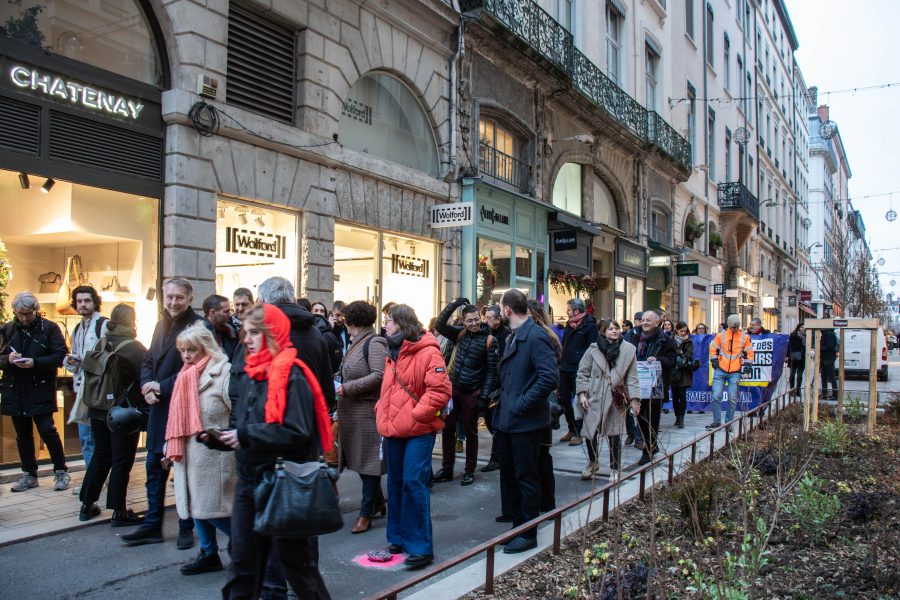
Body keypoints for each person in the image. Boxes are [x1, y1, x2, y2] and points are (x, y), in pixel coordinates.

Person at [209, 304, 333, 599]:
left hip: (282, 483)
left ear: (273, 334)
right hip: (250, 482)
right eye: (245, 333)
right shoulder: (255, 373)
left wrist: (245, 435)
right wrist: (222, 438)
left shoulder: (292, 375)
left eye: (255, 333)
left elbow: (297, 430)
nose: (246, 339)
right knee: (242, 563)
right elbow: (248, 424)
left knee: (297, 566)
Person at [124, 278, 202, 548]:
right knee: (153, 469)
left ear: (190, 299)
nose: (173, 302)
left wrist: (163, 386)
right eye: (169, 297)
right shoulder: (160, 324)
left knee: (183, 471)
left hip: (183, 409)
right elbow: (148, 358)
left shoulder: (198, 327)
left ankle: (185, 525)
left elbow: (198, 368)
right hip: (158, 408)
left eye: (179, 297)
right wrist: (147, 384)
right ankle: (152, 525)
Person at [375, 304, 451, 569]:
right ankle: (397, 537)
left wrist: (417, 414)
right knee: (395, 483)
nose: (385, 325)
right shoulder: (392, 350)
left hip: (418, 431)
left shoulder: (429, 351)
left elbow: (440, 391)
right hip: (394, 429)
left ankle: (420, 547)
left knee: (413, 484)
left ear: (402, 323)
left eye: (389, 321)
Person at [493, 289, 559, 554]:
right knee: (512, 476)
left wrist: (521, 403)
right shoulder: (515, 336)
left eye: (500, 307)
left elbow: (548, 378)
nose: (498, 311)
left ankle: (528, 532)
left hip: (526, 422)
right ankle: (519, 526)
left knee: (527, 477)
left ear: (507, 310)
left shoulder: (535, 336)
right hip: (509, 420)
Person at [167, 323, 235, 575]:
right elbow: (177, 417)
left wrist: (225, 436)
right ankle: (208, 553)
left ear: (206, 347)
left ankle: (249, 545)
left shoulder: (223, 373)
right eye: (182, 350)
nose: (186, 356)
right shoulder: (185, 374)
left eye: (191, 350)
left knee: (214, 509)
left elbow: (237, 414)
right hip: (188, 453)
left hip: (214, 454)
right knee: (196, 505)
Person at [77, 304, 147, 525]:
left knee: (101, 456)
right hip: (122, 414)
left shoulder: (102, 341)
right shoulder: (135, 348)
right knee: (121, 461)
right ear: (132, 321)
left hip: (97, 410)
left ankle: (86, 505)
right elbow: (144, 379)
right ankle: (119, 511)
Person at [1, 292, 69, 492]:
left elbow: (60, 356)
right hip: (15, 389)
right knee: (22, 435)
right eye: (20, 314)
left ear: (35, 311)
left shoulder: (49, 328)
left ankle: (60, 471)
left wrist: (35, 363)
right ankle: (29, 474)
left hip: (40, 387)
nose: (23, 318)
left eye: (27, 314)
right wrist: (8, 360)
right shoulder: (7, 329)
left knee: (47, 430)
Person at [432, 298, 498, 486]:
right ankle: (447, 468)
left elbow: (491, 372)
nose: (474, 323)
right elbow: (439, 324)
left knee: (471, 433)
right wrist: (455, 304)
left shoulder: (489, 340)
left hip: (472, 393)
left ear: (481, 317)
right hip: (453, 390)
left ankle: (469, 470)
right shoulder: (460, 334)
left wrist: (484, 397)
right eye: (469, 320)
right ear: (463, 320)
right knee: (447, 429)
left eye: (476, 319)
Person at [335, 301, 389, 534]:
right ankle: (377, 502)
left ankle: (365, 512)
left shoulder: (374, 342)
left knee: (368, 464)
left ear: (351, 321)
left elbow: (379, 375)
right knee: (360, 462)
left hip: (367, 413)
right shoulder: (358, 341)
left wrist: (347, 388)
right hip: (353, 413)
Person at [255, 278, 335, 412]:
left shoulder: (258, 333)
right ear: (293, 299)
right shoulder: (315, 333)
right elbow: (327, 387)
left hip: (269, 420)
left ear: (262, 302)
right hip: (308, 419)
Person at [575, 320, 640, 480]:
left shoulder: (628, 350)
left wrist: (635, 398)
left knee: (614, 434)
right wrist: (582, 393)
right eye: (610, 328)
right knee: (590, 432)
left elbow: (632, 377)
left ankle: (615, 468)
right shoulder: (593, 349)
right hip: (594, 395)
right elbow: (582, 372)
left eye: (616, 328)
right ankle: (593, 462)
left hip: (615, 396)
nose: (614, 331)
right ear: (603, 332)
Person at [64, 285, 108, 482]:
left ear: (94, 302)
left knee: (98, 438)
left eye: (87, 301)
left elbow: (110, 358)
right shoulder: (77, 328)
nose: (82, 304)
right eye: (79, 301)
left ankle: (97, 479)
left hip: (99, 390)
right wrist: (71, 362)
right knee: (86, 437)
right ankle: (93, 479)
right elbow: (77, 361)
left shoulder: (103, 325)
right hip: (82, 389)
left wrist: (85, 362)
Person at [626, 311, 677, 465]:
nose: (645, 322)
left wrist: (658, 360)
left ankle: (648, 450)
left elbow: (673, 361)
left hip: (656, 385)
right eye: (643, 320)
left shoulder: (666, 340)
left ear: (657, 322)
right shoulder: (635, 338)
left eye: (649, 320)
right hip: (638, 384)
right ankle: (651, 446)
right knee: (640, 417)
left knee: (653, 419)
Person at [526, 299, 561, 514]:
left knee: (541, 453)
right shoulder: (545, 335)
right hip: (542, 399)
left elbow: (548, 374)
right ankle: (545, 501)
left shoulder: (543, 336)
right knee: (539, 454)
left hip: (543, 401)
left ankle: (547, 502)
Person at [558, 298, 598, 446]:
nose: (566, 312)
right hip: (565, 368)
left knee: (579, 401)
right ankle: (571, 428)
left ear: (576, 311)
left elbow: (592, 348)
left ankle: (579, 432)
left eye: (568, 309)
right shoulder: (569, 325)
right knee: (563, 399)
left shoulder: (590, 326)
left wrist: (584, 364)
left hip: (579, 369)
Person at [707, 314, 754, 430]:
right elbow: (713, 349)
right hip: (720, 370)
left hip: (735, 372)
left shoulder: (745, 337)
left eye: (737, 327)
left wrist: (747, 369)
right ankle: (717, 422)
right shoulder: (721, 335)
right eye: (733, 327)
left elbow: (749, 354)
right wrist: (715, 362)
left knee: (732, 398)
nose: (735, 329)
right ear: (728, 325)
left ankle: (728, 423)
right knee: (716, 396)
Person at [480, 304, 510, 473]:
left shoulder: (506, 336)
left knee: (495, 421)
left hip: (498, 385)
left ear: (498, 320)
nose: (486, 321)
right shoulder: (485, 334)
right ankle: (499, 454)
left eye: (489, 318)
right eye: (486, 317)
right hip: (486, 383)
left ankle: (496, 457)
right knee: (490, 419)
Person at [671, 321, 695, 429]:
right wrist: (679, 353)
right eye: (681, 331)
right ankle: (677, 417)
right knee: (675, 396)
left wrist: (681, 354)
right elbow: (669, 352)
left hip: (684, 371)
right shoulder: (671, 340)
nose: (683, 333)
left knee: (682, 395)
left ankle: (681, 418)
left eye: (685, 331)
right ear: (676, 330)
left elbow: (689, 354)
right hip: (674, 371)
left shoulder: (689, 341)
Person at [202, 294, 239, 360]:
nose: (229, 315)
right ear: (213, 313)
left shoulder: (230, 330)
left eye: (230, 311)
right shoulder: (200, 333)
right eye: (226, 312)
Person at [820, 328, 839, 399]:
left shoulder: (828, 334)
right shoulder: (827, 333)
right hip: (826, 358)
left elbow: (830, 346)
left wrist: (819, 348)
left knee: (831, 377)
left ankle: (835, 394)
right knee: (824, 376)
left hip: (828, 358)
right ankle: (825, 393)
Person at [788, 324, 806, 397]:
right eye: (802, 327)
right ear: (798, 327)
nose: (803, 328)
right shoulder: (793, 335)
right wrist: (787, 356)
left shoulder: (807, 335)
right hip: (793, 357)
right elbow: (789, 346)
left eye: (804, 327)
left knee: (800, 375)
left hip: (802, 357)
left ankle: (798, 390)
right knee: (792, 374)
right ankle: (792, 390)